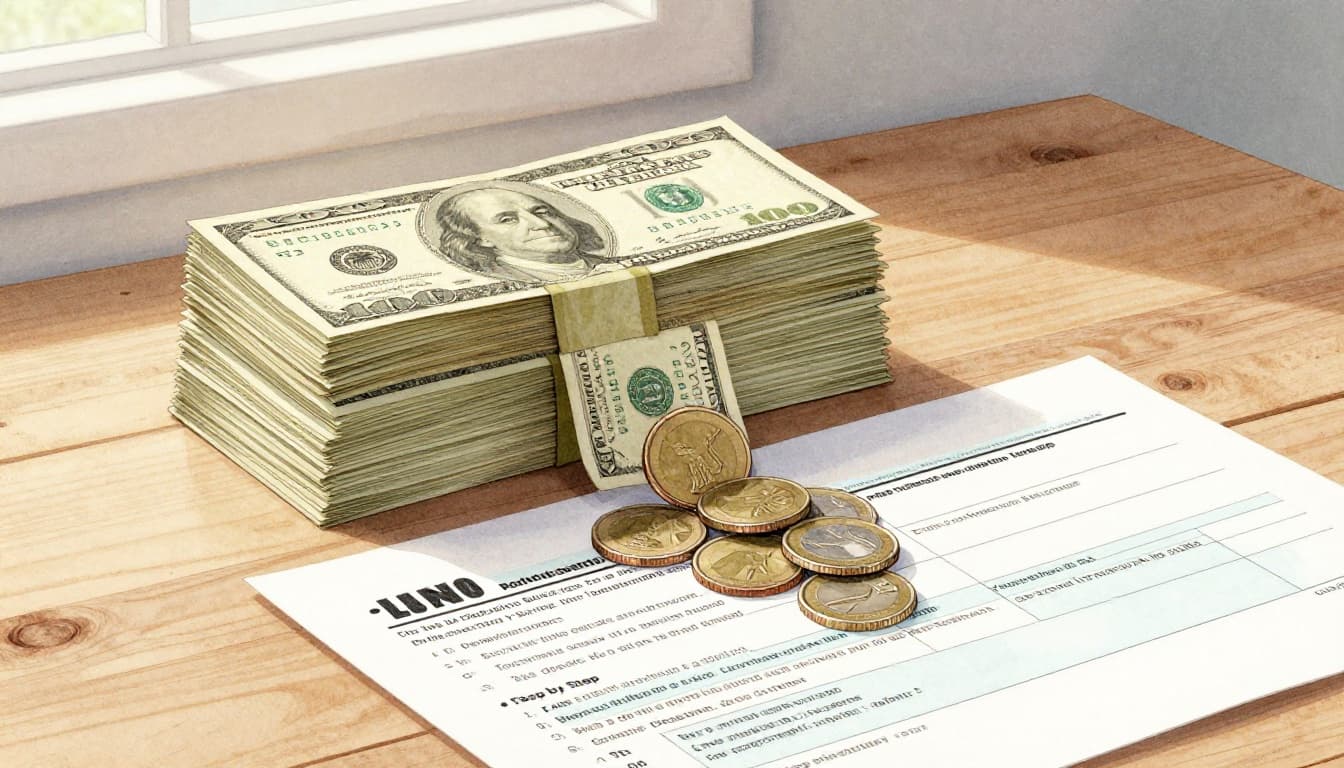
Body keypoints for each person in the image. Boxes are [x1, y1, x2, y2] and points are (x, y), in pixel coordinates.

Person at [434, 187, 612, 283]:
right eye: (507, 219)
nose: (542, 224)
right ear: (480, 238)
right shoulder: (500, 278)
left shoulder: (610, 264)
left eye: (542, 211)